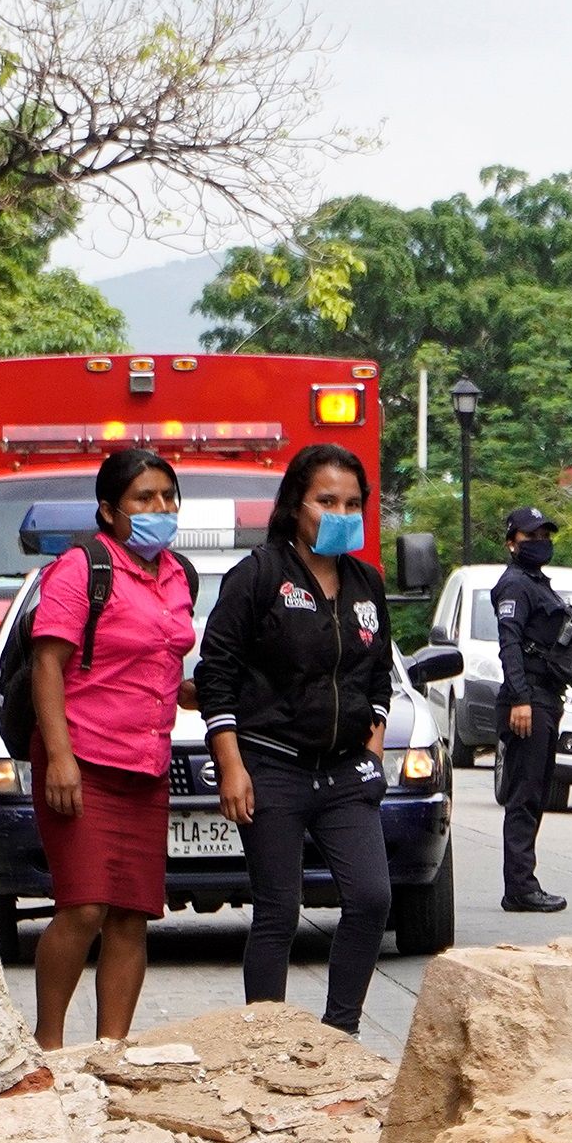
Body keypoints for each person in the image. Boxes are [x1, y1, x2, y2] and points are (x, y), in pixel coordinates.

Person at [197, 443, 397, 1036]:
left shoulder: (366, 583)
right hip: (271, 768)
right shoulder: (257, 576)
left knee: (371, 899)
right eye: (326, 500)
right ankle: (267, 1040)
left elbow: (378, 674)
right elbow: (216, 677)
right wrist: (232, 767)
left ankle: (340, 1035)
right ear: (294, 505)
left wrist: (373, 749)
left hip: (343, 772)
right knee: (278, 910)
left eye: (353, 503)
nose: (340, 512)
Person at [26, 445, 200, 1047]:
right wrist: (61, 758)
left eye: (167, 497)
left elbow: (154, 663)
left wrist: (191, 691)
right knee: (82, 908)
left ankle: (112, 1054)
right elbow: (49, 663)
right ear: (108, 510)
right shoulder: (82, 567)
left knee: (132, 915)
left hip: (145, 766)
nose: (160, 508)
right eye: (143, 498)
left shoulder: (179, 575)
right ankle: (47, 1049)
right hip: (81, 761)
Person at [491, 505, 572, 914]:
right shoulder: (514, 586)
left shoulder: (536, 583)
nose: (541, 543)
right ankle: (520, 887)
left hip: (545, 699)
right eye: (531, 537)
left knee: (537, 792)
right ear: (511, 543)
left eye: (545, 536)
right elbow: (509, 645)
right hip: (528, 702)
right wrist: (521, 698)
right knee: (524, 795)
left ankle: (523, 882)